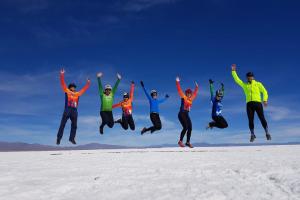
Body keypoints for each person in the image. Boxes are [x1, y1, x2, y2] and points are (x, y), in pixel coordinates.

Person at [231, 64, 271, 142]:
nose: (250, 77)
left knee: (262, 118)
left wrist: (265, 100)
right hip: (249, 104)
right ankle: (252, 134)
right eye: (248, 76)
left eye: (251, 76)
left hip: (258, 103)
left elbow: (264, 91)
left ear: (253, 77)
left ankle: (267, 133)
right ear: (247, 77)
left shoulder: (258, 84)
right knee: (250, 120)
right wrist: (233, 71)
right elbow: (237, 80)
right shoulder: (245, 85)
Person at [57, 68, 90, 145]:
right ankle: (59, 138)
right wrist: (62, 75)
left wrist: (88, 83)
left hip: (74, 111)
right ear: (69, 87)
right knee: (63, 124)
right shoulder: (67, 91)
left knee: (74, 126)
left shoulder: (78, 94)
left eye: (74, 87)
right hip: (67, 109)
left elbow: (84, 89)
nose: (73, 88)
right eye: (72, 87)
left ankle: (71, 138)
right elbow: (62, 83)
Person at [176, 76, 199, 148]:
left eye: (190, 93)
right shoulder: (183, 97)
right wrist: (177, 82)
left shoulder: (191, 99)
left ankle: (188, 142)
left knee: (190, 127)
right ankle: (180, 141)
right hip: (181, 113)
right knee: (185, 127)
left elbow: (195, 93)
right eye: (187, 93)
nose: (189, 94)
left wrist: (197, 87)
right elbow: (179, 90)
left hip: (186, 114)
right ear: (186, 93)